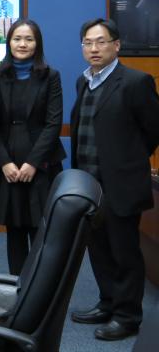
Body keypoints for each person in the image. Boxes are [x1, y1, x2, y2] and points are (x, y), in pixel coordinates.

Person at [69, 18, 159, 341]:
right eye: (88, 43)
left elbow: (153, 130)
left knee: (124, 252)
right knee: (99, 249)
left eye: (101, 41)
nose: (94, 48)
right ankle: (107, 303)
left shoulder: (136, 82)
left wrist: (128, 162)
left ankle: (127, 316)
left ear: (116, 45)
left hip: (121, 184)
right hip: (89, 185)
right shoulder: (83, 82)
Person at [0, 18, 65, 275]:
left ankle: (40, 291)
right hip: (8, 163)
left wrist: (33, 162)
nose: (22, 44)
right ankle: (17, 288)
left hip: (41, 164)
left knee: (42, 230)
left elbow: (53, 123)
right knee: (14, 231)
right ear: (9, 42)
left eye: (29, 39)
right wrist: (4, 162)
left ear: (37, 44)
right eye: (17, 39)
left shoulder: (50, 76)